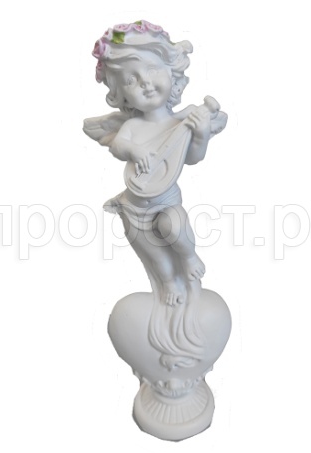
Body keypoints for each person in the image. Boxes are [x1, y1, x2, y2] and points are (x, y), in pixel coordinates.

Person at [84, 20, 227, 310]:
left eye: (152, 70)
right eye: (131, 80)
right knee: (154, 254)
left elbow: (192, 157)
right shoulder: (132, 126)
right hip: (134, 205)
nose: (145, 83)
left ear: (172, 72)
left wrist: (200, 134)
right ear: (121, 94)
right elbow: (118, 145)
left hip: (166, 199)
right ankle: (169, 283)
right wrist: (134, 150)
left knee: (174, 225)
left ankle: (189, 257)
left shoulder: (181, 122)